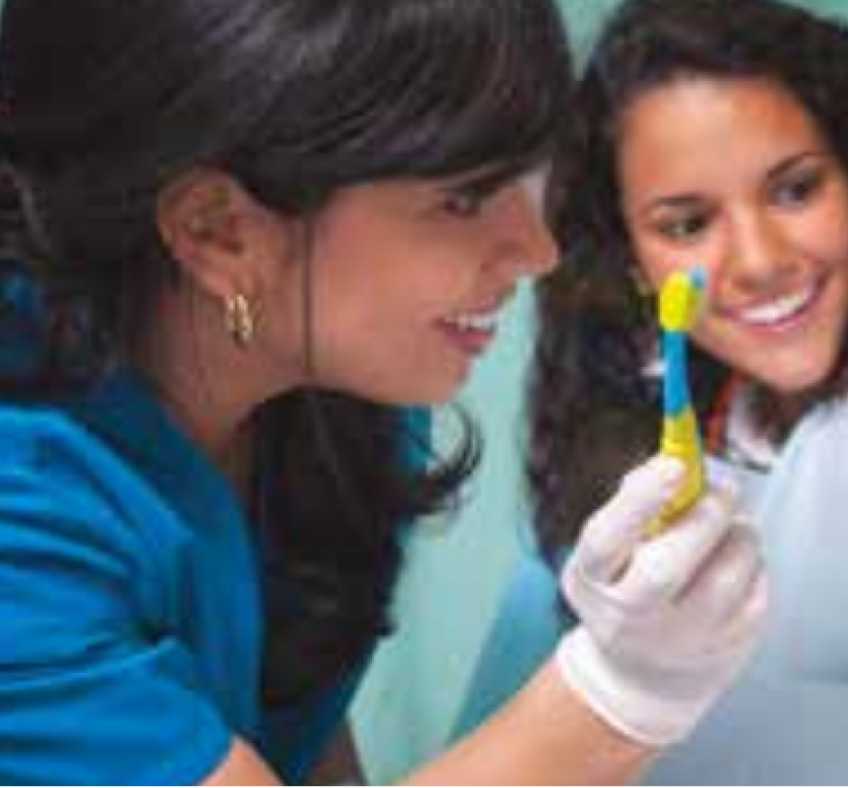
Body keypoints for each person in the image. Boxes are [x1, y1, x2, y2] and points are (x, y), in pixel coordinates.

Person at [0, 0, 765, 783]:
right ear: (217, 231)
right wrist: (620, 695)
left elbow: (289, 741)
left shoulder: (344, 402)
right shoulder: (20, 528)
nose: (538, 251)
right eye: (463, 199)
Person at [453, 0, 848, 781]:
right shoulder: (642, 435)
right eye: (687, 225)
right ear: (631, 260)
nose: (758, 260)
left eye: (795, 190)